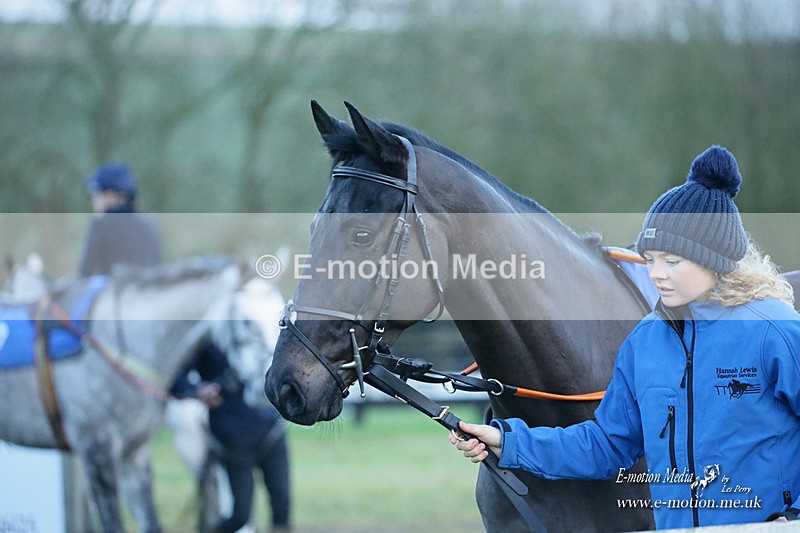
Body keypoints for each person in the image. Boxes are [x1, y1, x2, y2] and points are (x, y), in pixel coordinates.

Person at [450, 146, 800, 528]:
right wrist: (508, 442)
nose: (657, 274)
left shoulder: (775, 330)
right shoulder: (646, 341)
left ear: (712, 259)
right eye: (650, 260)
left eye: (672, 261)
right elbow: (607, 444)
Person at [170, 342, 292, 533]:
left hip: (270, 430)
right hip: (233, 435)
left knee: (282, 504)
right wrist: (197, 390)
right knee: (240, 516)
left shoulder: (256, 325)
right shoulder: (207, 337)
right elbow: (175, 378)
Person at [78, 162, 161, 277]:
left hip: (114, 293)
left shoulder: (100, 225)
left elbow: (84, 273)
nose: (93, 199)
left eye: (95, 192)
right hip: (146, 293)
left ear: (111, 195)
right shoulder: (150, 225)